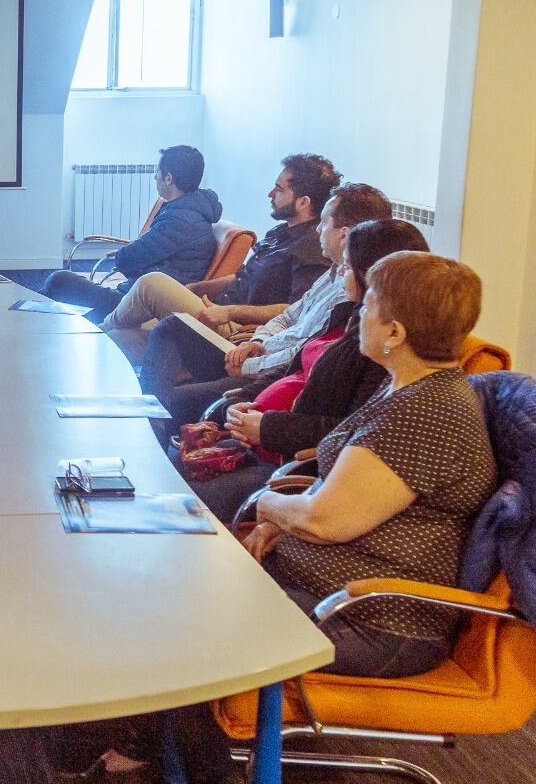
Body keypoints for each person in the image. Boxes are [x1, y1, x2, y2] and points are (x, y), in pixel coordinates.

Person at [55, 251, 496, 784]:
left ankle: (182, 760)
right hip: (334, 591)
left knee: (173, 605)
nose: (357, 312)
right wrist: (281, 520)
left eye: (369, 305)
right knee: (167, 580)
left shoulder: (423, 414)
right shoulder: (411, 390)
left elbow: (325, 520)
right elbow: (334, 494)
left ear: (395, 331)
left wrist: (271, 508)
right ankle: (140, 735)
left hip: (375, 620)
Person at [179, 218, 429, 522]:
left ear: (374, 275)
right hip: (266, 442)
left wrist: (268, 428)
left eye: (347, 267)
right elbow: (295, 364)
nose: (339, 271)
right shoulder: (349, 315)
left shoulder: (383, 349)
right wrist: (243, 399)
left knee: (182, 502)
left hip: (293, 469)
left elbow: (349, 432)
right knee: (174, 465)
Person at [142, 182, 391, 427]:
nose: (318, 231)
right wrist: (258, 342)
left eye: (324, 224)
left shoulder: (351, 294)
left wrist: (249, 362)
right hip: (255, 352)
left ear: (344, 233)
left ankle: (151, 414)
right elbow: (289, 317)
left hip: (266, 374)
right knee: (171, 327)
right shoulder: (332, 272)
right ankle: (149, 407)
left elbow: (301, 356)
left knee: (170, 400)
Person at [100, 153, 338, 334]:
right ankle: (103, 333)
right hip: (218, 309)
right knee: (122, 337)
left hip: (235, 330)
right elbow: (243, 276)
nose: (270, 194)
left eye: (279, 189)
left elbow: (296, 310)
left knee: (151, 284)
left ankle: (99, 328)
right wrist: (197, 288)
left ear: (303, 202)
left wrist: (229, 312)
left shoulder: (313, 248)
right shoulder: (281, 232)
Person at [42, 146, 220, 321]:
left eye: (157, 173)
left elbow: (126, 260)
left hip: (137, 305)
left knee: (59, 281)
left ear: (168, 178)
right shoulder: (190, 210)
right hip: (136, 293)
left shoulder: (179, 220)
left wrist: (132, 260)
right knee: (57, 289)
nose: (154, 177)